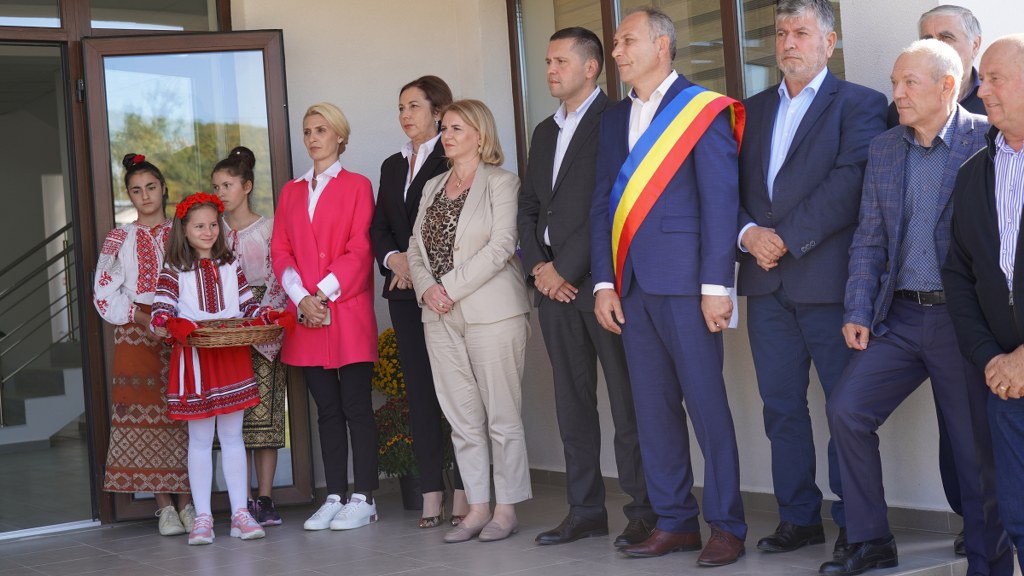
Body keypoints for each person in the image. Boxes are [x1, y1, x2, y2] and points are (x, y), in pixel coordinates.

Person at [822, 39, 1011, 576]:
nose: (898, 94)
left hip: (962, 321)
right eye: (894, 83)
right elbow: (869, 236)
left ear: (948, 86)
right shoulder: (885, 147)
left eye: (909, 83)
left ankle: (988, 562)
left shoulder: (988, 139)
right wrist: (857, 309)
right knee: (847, 410)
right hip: (900, 317)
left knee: (974, 452)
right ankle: (871, 540)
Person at [590, 7, 746, 566]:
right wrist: (604, 281)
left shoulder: (701, 109)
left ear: (662, 45)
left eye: (626, 40)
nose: (616, 52)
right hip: (631, 286)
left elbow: (720, 201)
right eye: (614, 43)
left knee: (706, 406)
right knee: (652, 411)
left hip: (687, 285)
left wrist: (717, 285)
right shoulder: (613, 119)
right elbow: (602, 204)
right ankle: (675, 521)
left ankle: (726, 525)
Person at [736, 0, 887, 557]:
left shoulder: (861, 104)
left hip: (829, 284)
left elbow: (851, 182)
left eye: (801, 32)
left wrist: (784, 238)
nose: (788, 42)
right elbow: (726, 186)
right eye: (781, 33)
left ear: (829, 41)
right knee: (781, 408)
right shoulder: (750, 110)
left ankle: (858, 525)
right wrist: (748, 233)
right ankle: (798, 518)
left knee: (845, 411)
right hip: (766, 284)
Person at [517, 27, 653, 548]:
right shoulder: (543, 131)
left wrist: (564, 270)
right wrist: (539, 268)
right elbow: (529, 207)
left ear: (591, 67)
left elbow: (614, 206)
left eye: (560, 61)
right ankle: (586, 510)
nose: (550, 70)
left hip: (600, 285)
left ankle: (643, 511)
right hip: (553, 291)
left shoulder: (616, 120)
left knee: (626, 403)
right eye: (547, 62)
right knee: (572, 405)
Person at [407, 99, 532, 544]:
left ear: (480, 136)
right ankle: (477, 508)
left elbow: (502, 245)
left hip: (493, 312)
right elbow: (415, 247)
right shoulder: (432, 186)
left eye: (457, 128)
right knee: (462, 418)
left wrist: (448, 288)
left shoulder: (502, 182)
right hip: (438, 315)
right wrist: (427, 289)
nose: (447, 135)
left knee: (501, 416)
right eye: (444, 128)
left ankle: (506, 509)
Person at [884, 10, 985, 554]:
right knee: (955, 428)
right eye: (926, 36)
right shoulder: (898, 127)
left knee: (977, 428)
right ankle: (972, 519)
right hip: (910, 310)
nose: (900, 93)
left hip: (973, 311)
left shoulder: (993, 129)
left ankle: (988, 529)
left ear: (972, 46)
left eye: (945, 36)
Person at [271, 102, 379, 532]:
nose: (313, 138)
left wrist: (319, 294)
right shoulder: (291, 191)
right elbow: (281, 250)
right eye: (307, 131)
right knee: (327, 411)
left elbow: (361, 248)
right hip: (307, 318)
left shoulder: (358, 186)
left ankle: (365, 497)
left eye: (321, 130)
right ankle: (334, 495)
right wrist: (301, 299)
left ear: (339, 136)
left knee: (356, 407)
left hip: (346, 312)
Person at [370, 76, 468, 528]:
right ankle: (431, 492)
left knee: (458, 392)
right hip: (403, 291)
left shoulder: (452, 157)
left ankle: (466, 491)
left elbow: (453, 223)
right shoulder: (392, 165)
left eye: (414, 106)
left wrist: (416, 264)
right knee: (420, 393)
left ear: (438, 111)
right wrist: (394, 259)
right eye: (400, 107)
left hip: (445, 290)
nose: (405, 115)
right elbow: (379, 227)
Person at [943, 34, 1024, 572]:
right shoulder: (974, 172)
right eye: (983, 79)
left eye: (996, 79)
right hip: (1007, 386)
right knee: (1018, 517)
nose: (983, 90)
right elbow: (959, 274)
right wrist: (989, 357)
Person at [150, 192, 274, 545]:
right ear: (184, 230)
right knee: (201, 439)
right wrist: (163, 321)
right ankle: (203, 517)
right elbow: (162, 308)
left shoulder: (230, 265)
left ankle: (240, 514)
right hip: (195, 360)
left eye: (213, 225)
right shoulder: (174, 269)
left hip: (231, 354)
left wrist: (265, 315)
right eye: (199, 227)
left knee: (234, 437)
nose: (208, 232)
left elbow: (248, 305)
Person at [93, 153, 193, 537]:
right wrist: (143, 319)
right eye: (136, 190)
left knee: (186, 415)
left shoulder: (183, 230)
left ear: (164, 188)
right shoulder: (119, 238)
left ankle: (188, 503)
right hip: (137, 331)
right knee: (147, 416)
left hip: (182, 328)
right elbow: (104, 290)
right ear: (129, 196)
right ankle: (164, 506)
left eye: (151, 187)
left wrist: (178, 320)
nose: (145, 195)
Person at [211, 146, 288, 527]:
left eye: (227, 185)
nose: (220, 193)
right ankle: (239, 500)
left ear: (247, 186)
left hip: (264, 323)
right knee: (232, 418)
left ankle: (265, 497)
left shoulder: (269, 228)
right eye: (216, 186)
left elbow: (280, 275)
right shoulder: (213, 231)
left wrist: (263, 319)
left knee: (265, 415)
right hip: (226, 328)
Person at [886, 5, 984, 129]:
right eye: (928, 41)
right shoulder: (902, 108)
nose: (936, 47)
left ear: (975, 45)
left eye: (946, 38)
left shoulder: (993, 100)